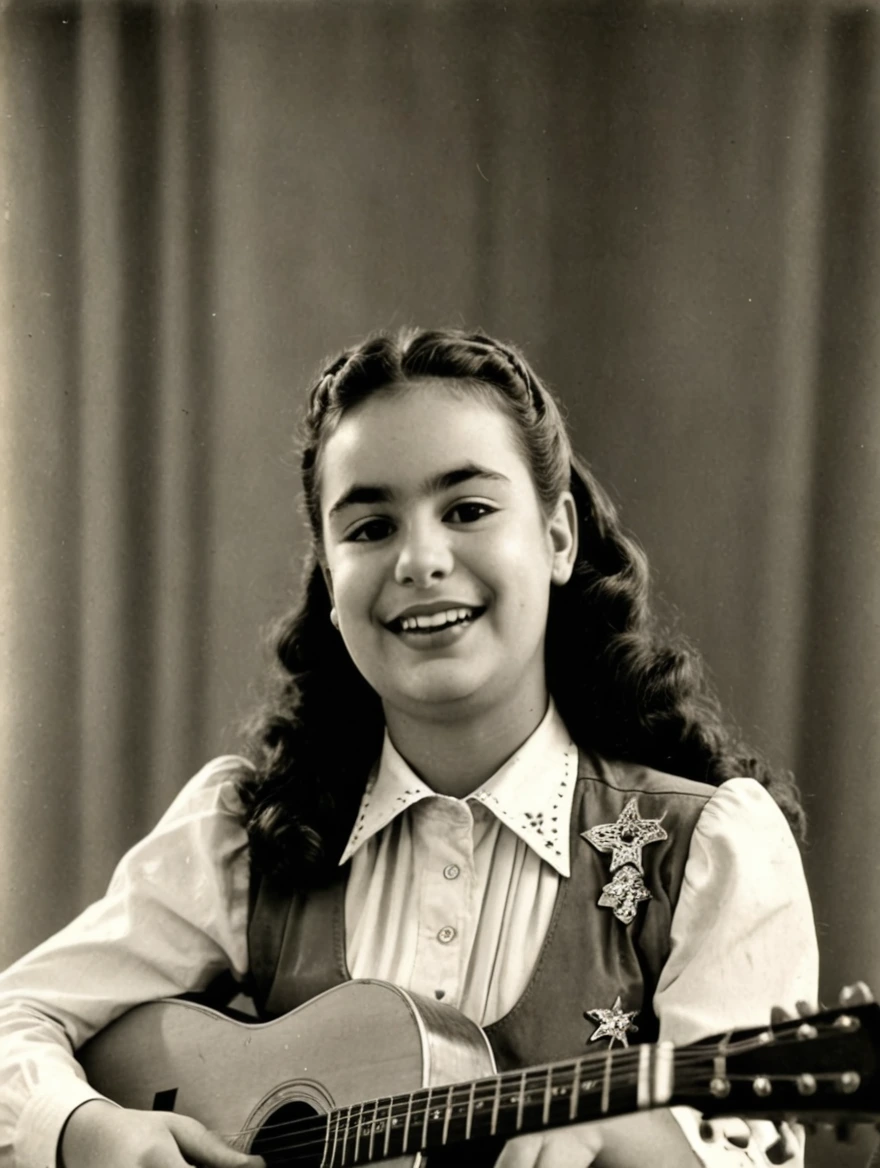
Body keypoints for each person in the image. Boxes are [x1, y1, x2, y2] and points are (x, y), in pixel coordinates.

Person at [0, 328, 817, 1168]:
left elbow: (748, 1149)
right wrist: (90, 1132)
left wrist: (617, 1138)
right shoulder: (248, 836)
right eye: (369, 527)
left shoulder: (708, 851)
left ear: (559, 537)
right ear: (328, 572)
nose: (420, 561)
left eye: (467, 510)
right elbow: (13, 1023)